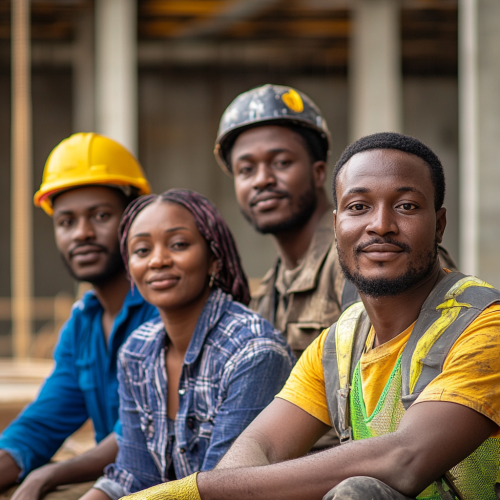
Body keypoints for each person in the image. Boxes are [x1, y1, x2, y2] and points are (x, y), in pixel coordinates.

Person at [121, 132, 500, 500]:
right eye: (358, 207)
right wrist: (227, 487)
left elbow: (405, 458)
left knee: (356, 491)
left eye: (406, 206)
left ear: (440, 225)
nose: (381, 224)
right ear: (336, 225)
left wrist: (196, 489)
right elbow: (260, 446)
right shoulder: (339, 343)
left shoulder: (484, 324)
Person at [79, 189, 294, 500]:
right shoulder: (136, 351)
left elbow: (219, 487)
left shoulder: (254, 352)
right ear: (130, 269)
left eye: (178, 244)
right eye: (141, 250)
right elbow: (133, 475)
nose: (158, 260)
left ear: (214, 260)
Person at [214, 84, 457, 359]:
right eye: (246, 170)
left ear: (318, 172)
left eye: (281, 163)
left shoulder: (375, 254)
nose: (262, 180)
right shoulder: (270, 291)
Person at [0, 133, 158, 500]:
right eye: (66, 221)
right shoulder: (83, 325)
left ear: (134, 216)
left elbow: (139, 432)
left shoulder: (164, 310)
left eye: (101, 216)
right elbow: (41, 423)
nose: (82, 233)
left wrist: (48, 475)